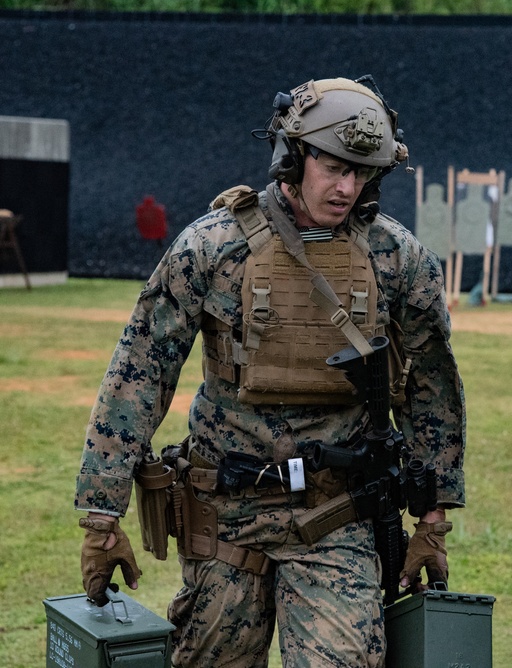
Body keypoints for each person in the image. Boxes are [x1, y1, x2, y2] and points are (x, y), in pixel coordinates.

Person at [75, 76, 466, 667]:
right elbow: (139, 373)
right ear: (293, 155)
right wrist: (101, 517)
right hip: (223, 514)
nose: (346, 188)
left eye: (362, 173)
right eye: (334, 167)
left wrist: (432, 518)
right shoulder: (211, 248)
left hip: (338, 516)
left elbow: (431, 388)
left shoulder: (397, 259)